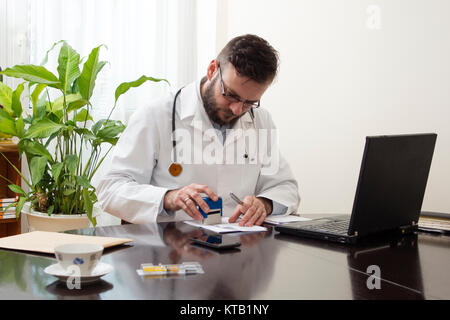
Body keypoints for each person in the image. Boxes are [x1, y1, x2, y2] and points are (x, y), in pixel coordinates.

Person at [97, 34, 300, 226]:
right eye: (230, 95)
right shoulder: (156, 115)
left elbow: (285, 188)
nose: (237, 109)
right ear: (212, 70)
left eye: (249, 102)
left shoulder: (260, 120)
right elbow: (111, 189)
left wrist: (264, 204)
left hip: (238, 248)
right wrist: (168, 198)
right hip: (171, 250)